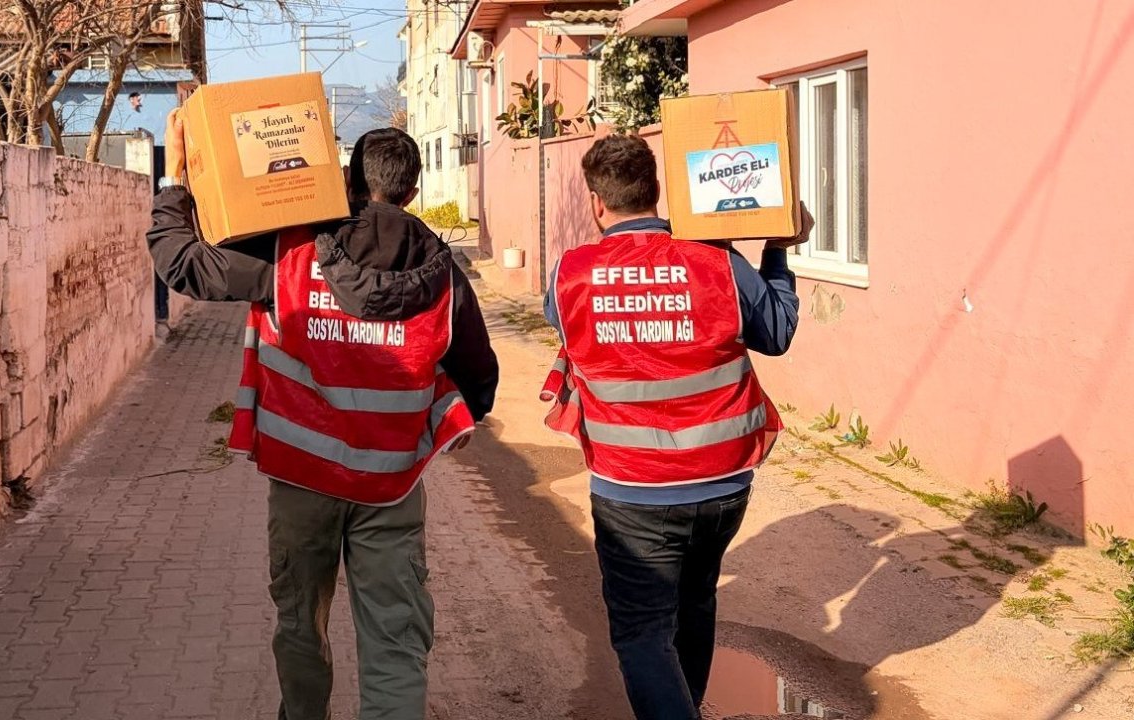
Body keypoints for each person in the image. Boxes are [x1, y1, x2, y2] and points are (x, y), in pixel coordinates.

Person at [148, 113, 499, 720]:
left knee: (301, 621)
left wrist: (177, 181)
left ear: (348, 184)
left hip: (302, 479)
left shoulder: (289, 252)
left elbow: (185, 265)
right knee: (395, 637)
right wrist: (468, 413)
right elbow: (478, 369)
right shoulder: (442, 272)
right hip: (392, 485)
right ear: (413, 191)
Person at [540, 134, 809, 720]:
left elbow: (562, 323)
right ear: (656, 191)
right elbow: (778, 331)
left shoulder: (569, 274)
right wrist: (776, 251)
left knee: (641, 632)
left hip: (631, 490)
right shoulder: (716, 260)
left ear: (595, 203)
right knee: (694, 603)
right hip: (723, 483)